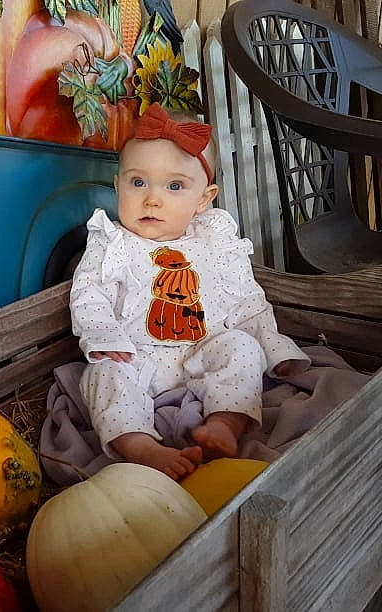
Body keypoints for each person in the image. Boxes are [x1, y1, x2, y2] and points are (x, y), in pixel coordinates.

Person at [69, 102, 310, 480]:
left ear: (203, 198)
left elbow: (248, 301)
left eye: (174, 186)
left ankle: (224, 425)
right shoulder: (112, 242)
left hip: (203, 349)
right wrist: (105, 338)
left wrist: (273, 347)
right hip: (138, 358)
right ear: (117, 186)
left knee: (242, 349)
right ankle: (142, 447)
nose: (152, 198)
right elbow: (89, 294)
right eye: (137, 182)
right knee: (101, 376)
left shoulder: (216, 241)